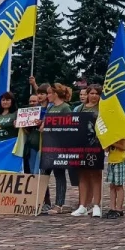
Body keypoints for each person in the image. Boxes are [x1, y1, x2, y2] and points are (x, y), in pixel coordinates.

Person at [72, 84, 103, 218]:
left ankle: (96, 205)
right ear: (88, 94)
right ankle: (82, 205)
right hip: (80, 144)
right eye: (92, 93)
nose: (94, 96)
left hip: (96, 145)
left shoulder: (102, 108)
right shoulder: (79, 108)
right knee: (83, 175)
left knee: (96, 175)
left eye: (97, 93)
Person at [43, 84, 73, 214]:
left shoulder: (65, 107)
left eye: (49, 93)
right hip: (48, 145)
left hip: (59, 146)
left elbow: (69, 125)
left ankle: (59, 204)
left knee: (59, 174)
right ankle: (43, 202)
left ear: (55, 94)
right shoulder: (50, 108)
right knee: (44, 174)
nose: (48, 96)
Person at [104, 136, 125, 219]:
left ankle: (119, 209)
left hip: (119, 161)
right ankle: (112, 208)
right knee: (112, 186)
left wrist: (114, 142)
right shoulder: (111, 135)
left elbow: (124, 147)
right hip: (111, 161)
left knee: (119, 186)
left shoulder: (122, 135)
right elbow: (106, 150)